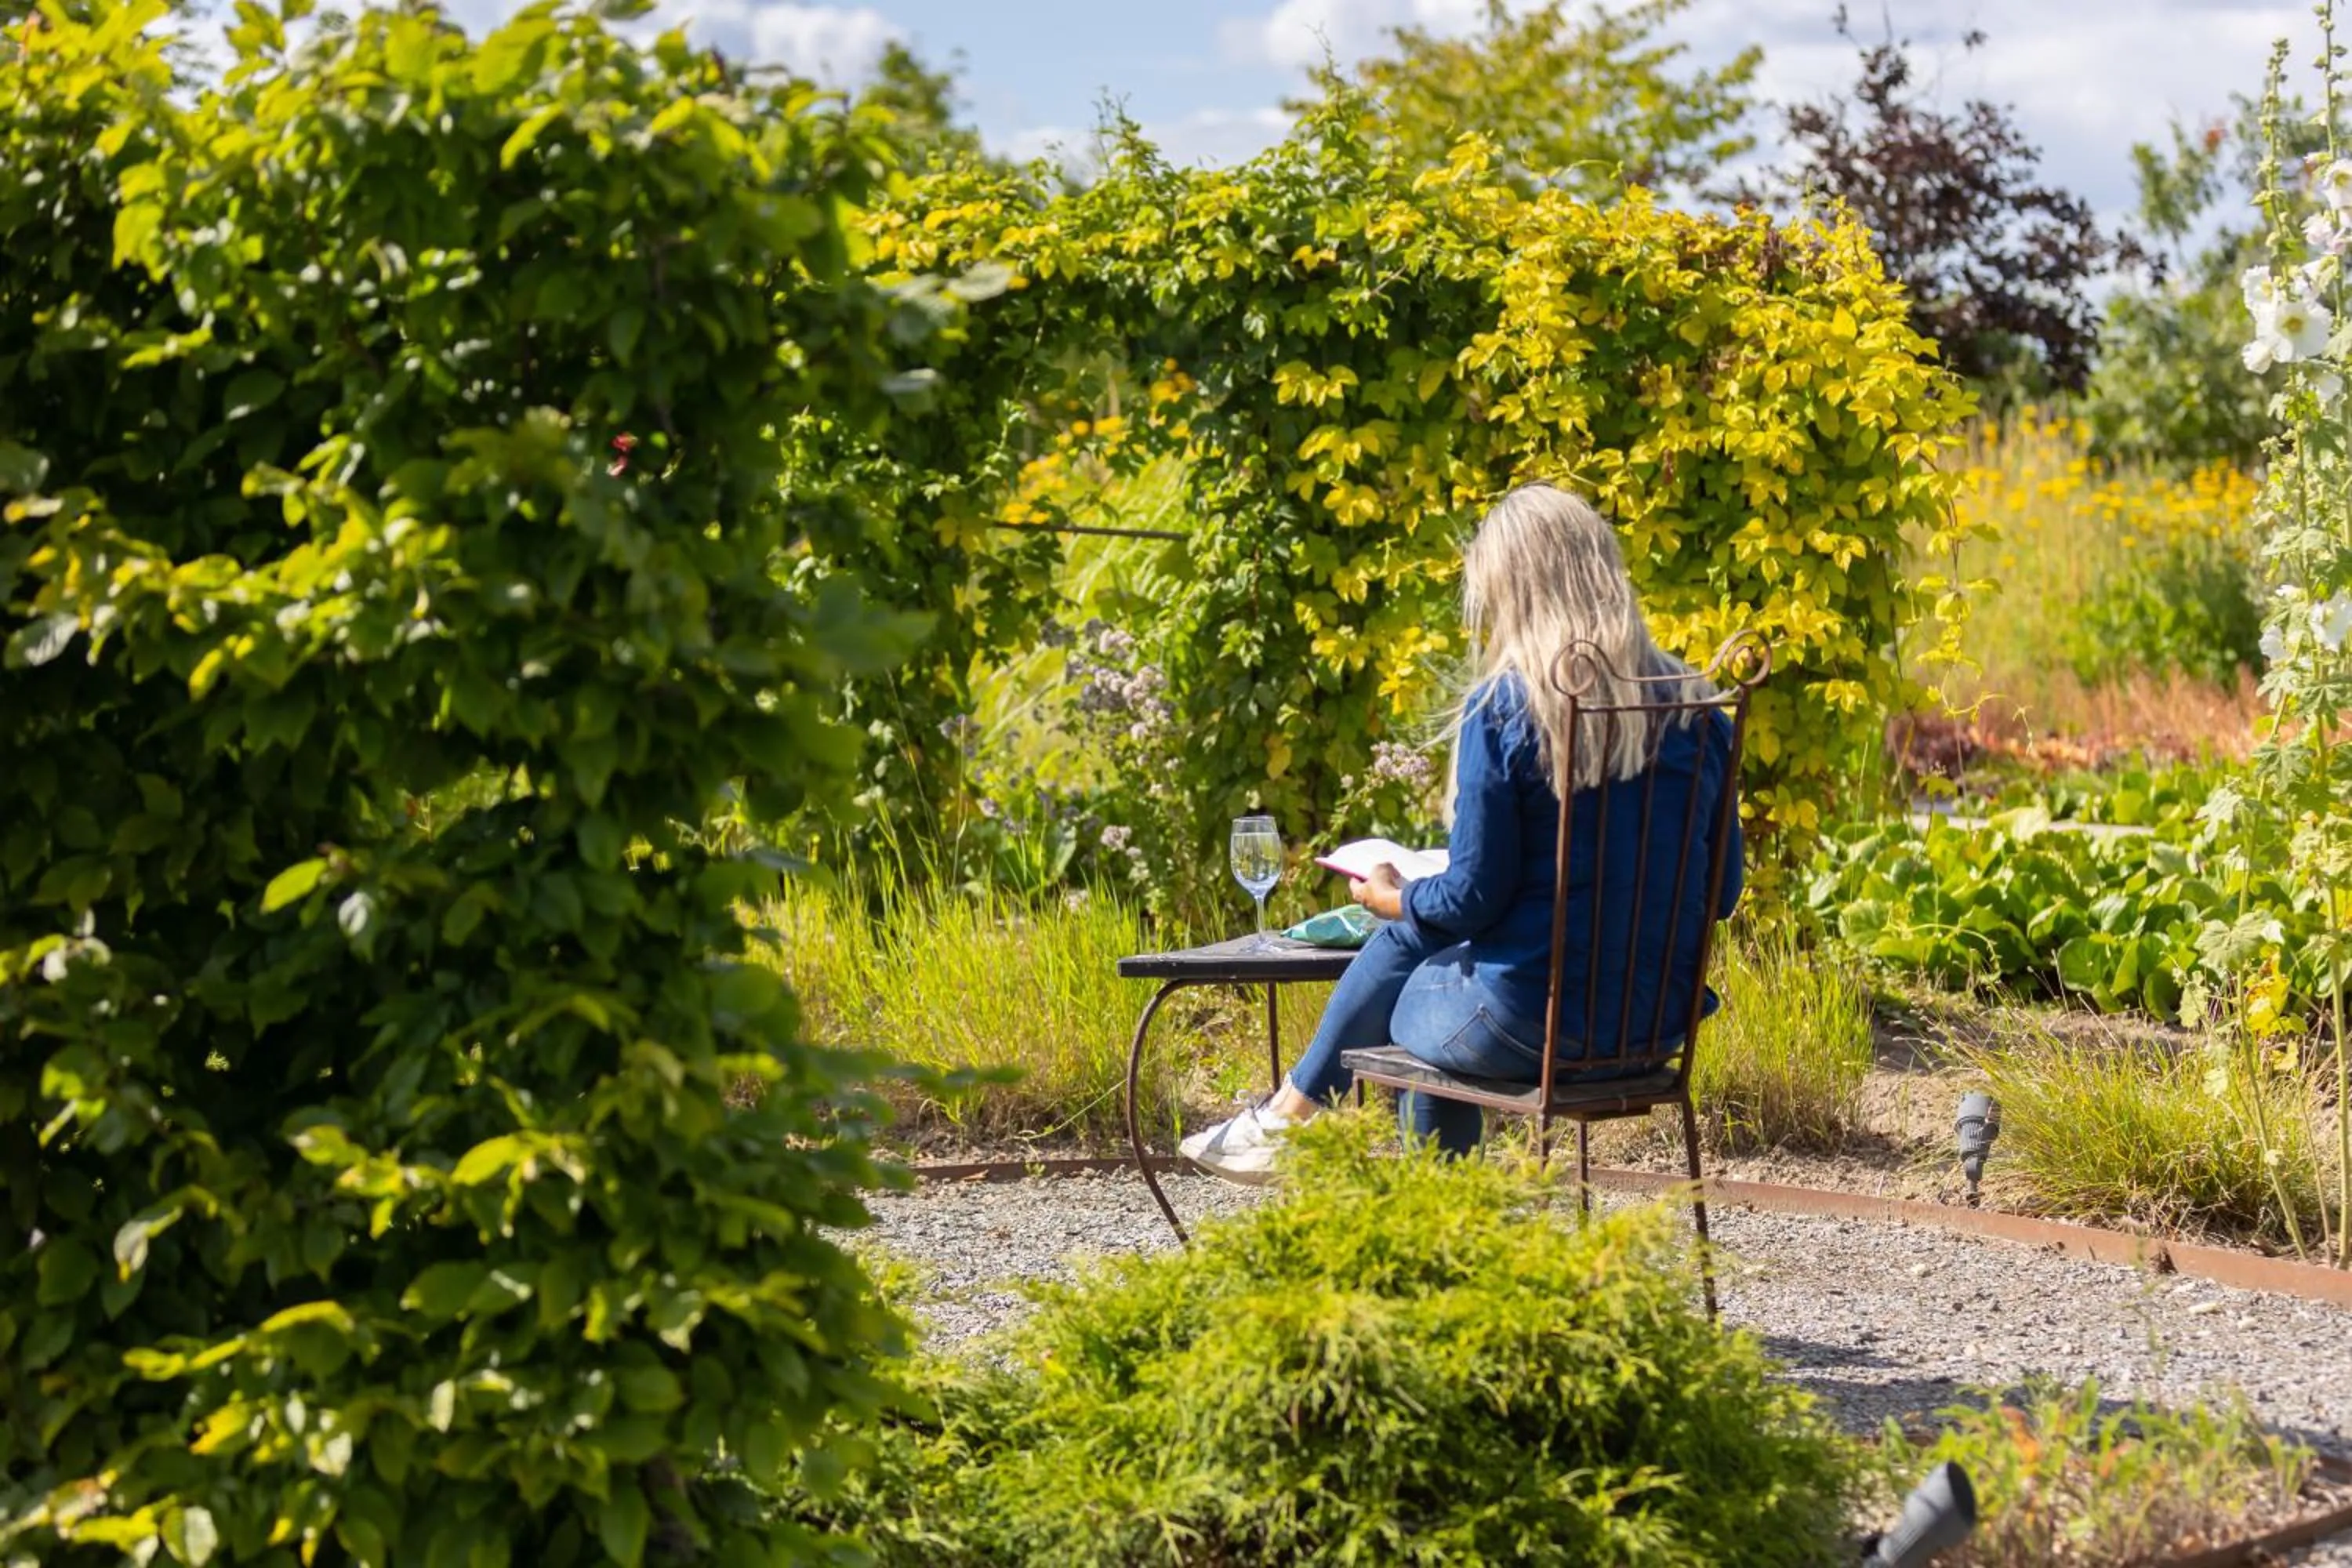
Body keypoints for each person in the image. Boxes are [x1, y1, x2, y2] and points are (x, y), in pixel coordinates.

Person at [1179, 482, 1744, 1182]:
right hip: (1656, 1030)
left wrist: (1392, 897)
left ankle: (1312, 1140)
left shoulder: (1509, 707)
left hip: (1531, 1026)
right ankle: (1297, 1133)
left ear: (1512, 593)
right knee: (1430, 986)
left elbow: (1473, 898)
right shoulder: (1700, 712)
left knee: (1412, 960)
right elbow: (1723, 895)